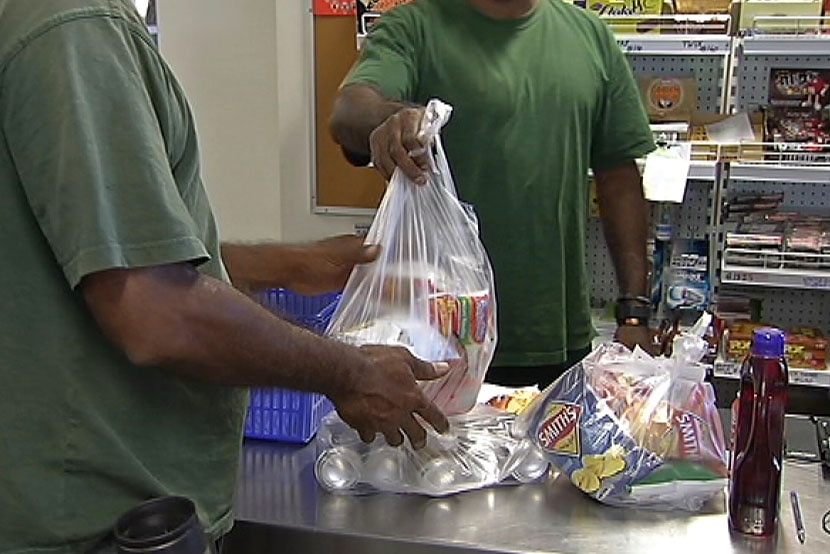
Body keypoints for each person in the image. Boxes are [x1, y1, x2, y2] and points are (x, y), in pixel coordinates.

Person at [0, 0, 449, 552]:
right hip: (98, 519)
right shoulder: (76, 28)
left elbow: (89, 253)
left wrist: (287, 265)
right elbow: (153, 311)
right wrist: (351, 373)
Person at [330, 0, 656, 389]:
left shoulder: (590, 36)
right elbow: (349, 111)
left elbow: (618, 176)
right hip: (438, 343)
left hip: (556, 338)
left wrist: (634, 311)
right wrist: (392, 117)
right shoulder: (415, 28)